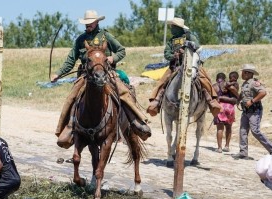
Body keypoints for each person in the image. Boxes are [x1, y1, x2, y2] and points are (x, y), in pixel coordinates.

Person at [51, 10, 151, 148]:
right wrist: (58, 74)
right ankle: (66, 129)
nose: (88, 26)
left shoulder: (106, 36)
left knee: (123, 92)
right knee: (71, 97)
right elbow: (70, 60)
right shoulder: (80, 39)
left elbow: (121, 50)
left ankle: (137, 121)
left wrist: (112, 58)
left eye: (90, 23)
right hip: (86, 76)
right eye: (86, 23)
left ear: (97, 22)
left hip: (107, 73)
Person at [146, 17, 221, 117]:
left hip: (192, 64)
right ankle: (156, 100)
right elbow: (166, 54)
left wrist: (186, 50)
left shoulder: (189, 36)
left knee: (204, 79)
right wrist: (174, 55)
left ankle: (211, 100)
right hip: (175, 66)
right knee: (163, 81)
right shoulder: (171, 41)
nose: (171, 28)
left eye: (173, 26)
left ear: (178, 28)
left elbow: (197, 47)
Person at [233, 64, 272, 159]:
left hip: (255, 111)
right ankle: (243, 152)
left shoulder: (254, 83)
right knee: (243, 131)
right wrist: (239, 100)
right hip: (246, 111)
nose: (241, 74)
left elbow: (263, 92)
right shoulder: (245, 83)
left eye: (242, 72)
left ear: (247, 73)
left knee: (255, 131)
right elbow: (243, 94)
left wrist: (252, 101)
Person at [212, 72, 238, 153]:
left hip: (220, 107)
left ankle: (219, 148)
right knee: (229, 127)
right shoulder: (228, 84)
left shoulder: (214, 86)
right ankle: (227, 146)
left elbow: (212, 98)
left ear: (217, 79)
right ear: (225, 78)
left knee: (220, 128)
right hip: (230, 107)